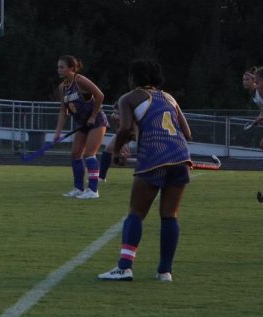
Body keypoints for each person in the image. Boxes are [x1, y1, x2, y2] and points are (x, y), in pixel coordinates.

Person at [97, 59, 192, 282]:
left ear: (134, 78)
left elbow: (125, 128)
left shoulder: (128, 98)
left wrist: (116, 151)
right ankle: (165, 271)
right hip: (180, 156)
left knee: (136, 213)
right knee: (169, 216)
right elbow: (187, 133)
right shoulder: (169, 97)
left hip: (154, 157)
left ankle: (124, 267)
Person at [54, 54, 108, 199]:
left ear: (72, 68)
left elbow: (100, 95)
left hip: (96, 121)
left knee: (89, 154)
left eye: (62, 67)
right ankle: (78, 188)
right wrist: (57, 133)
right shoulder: (62, 88)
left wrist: (92, 117)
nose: (58, 70)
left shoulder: (80, 81)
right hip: (82, 124)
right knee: (75, 154)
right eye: (58, 67)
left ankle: (93, 190)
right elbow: (63, 111)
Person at [243, 67, 263, 148]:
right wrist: (260, 117)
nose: (244, 82)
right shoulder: (254, 94)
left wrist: (260, 118)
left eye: (247, 79)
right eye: (243, 79)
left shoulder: (259, 93)